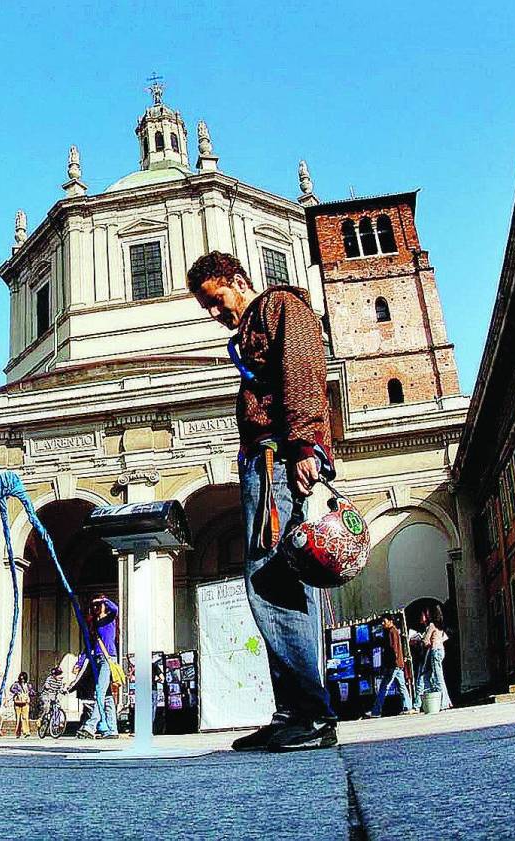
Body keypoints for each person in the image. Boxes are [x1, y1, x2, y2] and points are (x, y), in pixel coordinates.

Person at [188, 251, 337, 752]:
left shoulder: (280, 308)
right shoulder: (255, 321)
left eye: (216, 300)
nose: (214, 313)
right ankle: (293, 710)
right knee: (279, 579)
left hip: (278, 457)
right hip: (265, 458)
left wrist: (302, 447)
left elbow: (301, 375)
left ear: (238, 280)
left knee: (272, 578)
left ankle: (310, 713)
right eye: (206, 307)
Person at [73, 594, 120, 739]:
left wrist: (103, 599)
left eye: (98, 605)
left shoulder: (110, 619)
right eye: (94, 606)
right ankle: (112, 729)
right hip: (98, 660)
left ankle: (90, 726)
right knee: (106, 697)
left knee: (99, 691)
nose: (96, 607)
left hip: (108, 658)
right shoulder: (95, 625)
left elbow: (115, 608)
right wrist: (79, 663)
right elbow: (89, 648)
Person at [365, 615, 413, 718]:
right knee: (402, 686)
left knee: (384, 687)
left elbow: (393, 649)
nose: (383, 623)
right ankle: (408, 707)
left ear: (390, 621)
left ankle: (376, 711)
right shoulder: (393, 631)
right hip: (398, 664)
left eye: (384, 621)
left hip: (393, 665)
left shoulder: (392, 632)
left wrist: (392, 663)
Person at [415, 605, 452, 710]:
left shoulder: (431, 625)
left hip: (434, 651)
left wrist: (420, 639)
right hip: (441, 650)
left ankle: (444, 703)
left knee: (438, 677)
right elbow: (444, 638)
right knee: (439, 677)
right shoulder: (440, 625)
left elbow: (426, 641)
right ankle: (447, 701)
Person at [9, 671, 34, 738]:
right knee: (18, 718)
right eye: (21, 679)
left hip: (25, 702)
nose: (22, 680)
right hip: (18, 702)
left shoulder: (28, 685)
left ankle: (26, 732)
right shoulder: (16, 684)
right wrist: (17, 692)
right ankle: (18, 732)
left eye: (23, 679)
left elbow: (32, 692)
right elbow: (11, 689)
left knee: (25, 717)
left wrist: (31, 693)